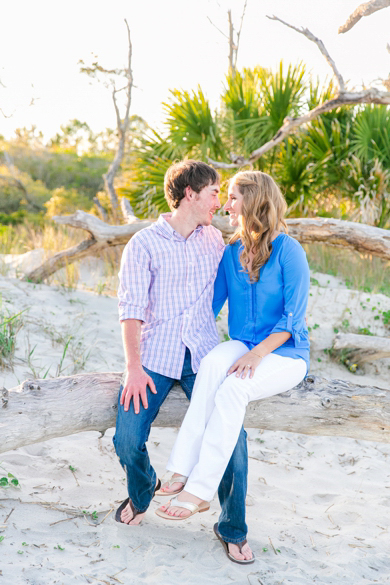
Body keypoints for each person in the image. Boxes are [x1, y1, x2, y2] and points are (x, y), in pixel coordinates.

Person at [156, 171, 310, 560]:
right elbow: (208, 308)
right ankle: (180, 468)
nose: (226, 204)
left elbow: (293, 321)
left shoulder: (290, 251)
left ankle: (201, 491)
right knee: (210, 365)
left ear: (255, 201)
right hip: (241, 343)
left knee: (235, 388)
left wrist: (257, 356)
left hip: (286, 354)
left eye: (234, 197)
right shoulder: (230, 253)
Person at [113, 159, 254, 564]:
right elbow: (131, 310)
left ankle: (233, 528)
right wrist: (133, 368)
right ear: (190, 194)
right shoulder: (143, 244)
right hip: (155, 354)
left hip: (205, 353)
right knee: (126, 438)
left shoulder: (215, 240)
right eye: (214, 192)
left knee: (234, 439)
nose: (219, 202)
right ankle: (143, 491)